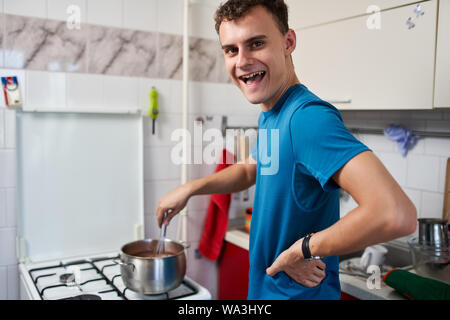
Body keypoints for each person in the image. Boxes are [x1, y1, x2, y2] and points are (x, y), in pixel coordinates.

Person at [156, 0, 417, 300]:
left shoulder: (307, 119)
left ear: (288, 42)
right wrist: (189, 188)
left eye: (256, 43)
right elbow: (248, 170)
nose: (242, 61)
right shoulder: (272, 113)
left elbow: (395, 213)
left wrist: (302, 249)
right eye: (231, 49)